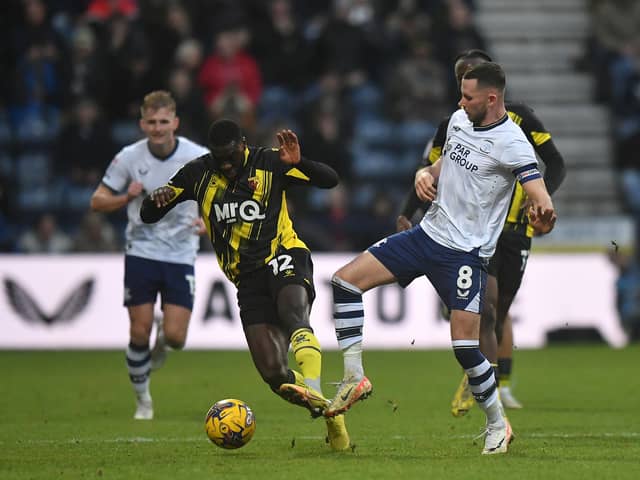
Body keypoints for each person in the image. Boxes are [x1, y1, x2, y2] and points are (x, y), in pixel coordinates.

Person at [323, 62, 557, 455]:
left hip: (464, 254)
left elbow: (542, 200)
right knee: (344, 282)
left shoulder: (514, 142)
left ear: (491, 98)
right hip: (425, 236)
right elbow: (443, 163)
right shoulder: (459, 121)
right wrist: (423, 173)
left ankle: (498, 425)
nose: (460, 102)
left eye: (468, 96)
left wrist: (544, 216)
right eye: (461, 95)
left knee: (465, 348)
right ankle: (354, 376)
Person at [139, 119, 350, 451]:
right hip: (246, 279)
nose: (226, 164)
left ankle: (319, 394)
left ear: (243, 145)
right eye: (219, 157)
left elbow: (330, 180)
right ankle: (327, 410)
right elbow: (149, 214)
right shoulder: (198, 174)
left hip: (283, 254)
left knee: (294, 314)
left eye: (231, 156)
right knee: (274, 375)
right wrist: (155, 199)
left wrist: (301, 164)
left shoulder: (269, 162)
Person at [397, 50, 566, 414]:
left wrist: (540, 200)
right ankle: (483, 384)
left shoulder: (521, 120)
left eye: (472, 75)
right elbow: (432, 169)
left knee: (500, 312)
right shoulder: (453, 123)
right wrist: (407, 211)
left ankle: (498, 383)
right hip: (472, 231)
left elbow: (555, 162)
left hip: (516, 229)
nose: (465, 81)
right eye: (461, 76)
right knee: (485, 310)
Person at [90, 90, 209, 420]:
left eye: (164, 122)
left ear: (176, 123)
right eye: (152, 122)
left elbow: (223, 195)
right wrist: (124, 198)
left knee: (176, 338)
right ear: (142, 124)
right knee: (138, 332)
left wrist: (208, 223)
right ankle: (143, 400)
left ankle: (163, 336)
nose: (158, 128)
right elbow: (97, 201)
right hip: (141, 251)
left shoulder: (198, 156)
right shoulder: (129, 157)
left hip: (181, 252)